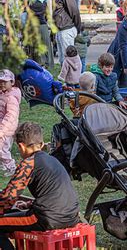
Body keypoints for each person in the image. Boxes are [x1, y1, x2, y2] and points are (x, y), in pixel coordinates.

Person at [0, 122, 80, 250]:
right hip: (72, 216)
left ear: (21, 146)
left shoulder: (28, 163)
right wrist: (29, 205)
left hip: (48, 219)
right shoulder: (53, 160)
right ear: (41, 144)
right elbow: (54, 193)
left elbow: (8, 198)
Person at [51, 0, 81, 65]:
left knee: (69, 60)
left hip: (66, 29)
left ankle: (73, 78)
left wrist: (77, 28)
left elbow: (74, 11)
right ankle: (64, 78)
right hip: (60, 29)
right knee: (62, 60)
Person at [0, 69, 21, 176]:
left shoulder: (11, 98)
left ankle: (11, 168)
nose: (2, 84)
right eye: (0, 82)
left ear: (12, 82)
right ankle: (4, 165)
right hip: (3, 127)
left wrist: (2, 131)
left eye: (5, 82)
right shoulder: (3, 94)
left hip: (6, 129)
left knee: (2, 149)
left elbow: (11, 116)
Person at [29, 0, 53, 69]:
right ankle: (48, 64)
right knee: (46, 45)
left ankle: (37, 64)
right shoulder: (44, 3)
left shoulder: (31, 3)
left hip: (34, 26)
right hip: (43, 26)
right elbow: (47, 16)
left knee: (36, 46)